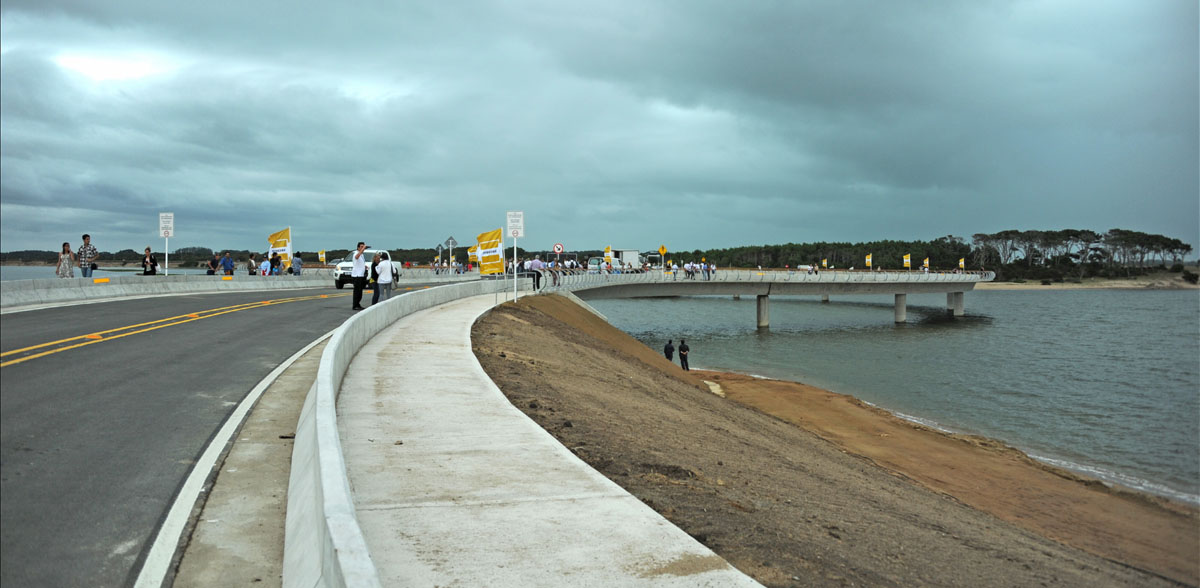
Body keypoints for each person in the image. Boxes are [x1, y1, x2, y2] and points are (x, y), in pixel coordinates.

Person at [351, 242, 368, 310]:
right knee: (357, 291)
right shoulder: (356, 253)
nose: (363, 248)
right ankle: (355, 305)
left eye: (363, 246)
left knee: (360, 291)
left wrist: (364, 266)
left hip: (361, 275)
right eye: (361, 246)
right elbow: (356, 257)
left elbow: (359, 263)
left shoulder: (362, 255)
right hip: (357, 275)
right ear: (358, 247)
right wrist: (362, 249)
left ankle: (358, 303)